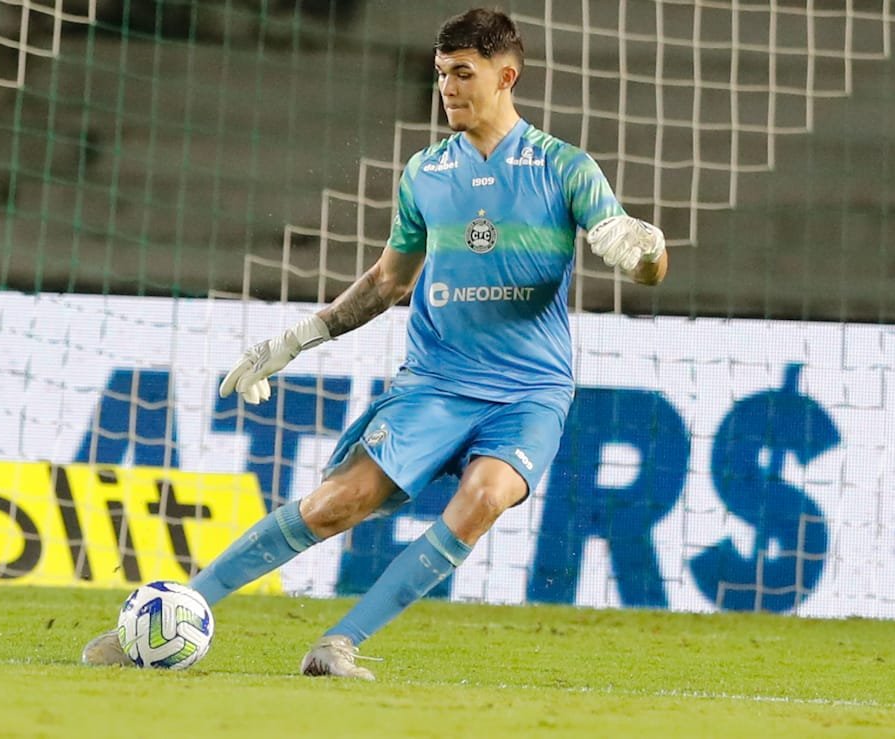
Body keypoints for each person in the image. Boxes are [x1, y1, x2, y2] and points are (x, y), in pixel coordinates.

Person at [82, 7, 667, 679]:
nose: (447, 87)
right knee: (337, 503)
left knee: (485, 496)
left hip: (529, 392)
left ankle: (338, 643)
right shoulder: (426, 173)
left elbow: (639, 257)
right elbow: (390, 280)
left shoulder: (564, 168)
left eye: (463, 73)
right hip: (437, 382)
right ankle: (173, 613)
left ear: (506, 76)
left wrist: (646, 253)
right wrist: (299, 338)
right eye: (441, 73)